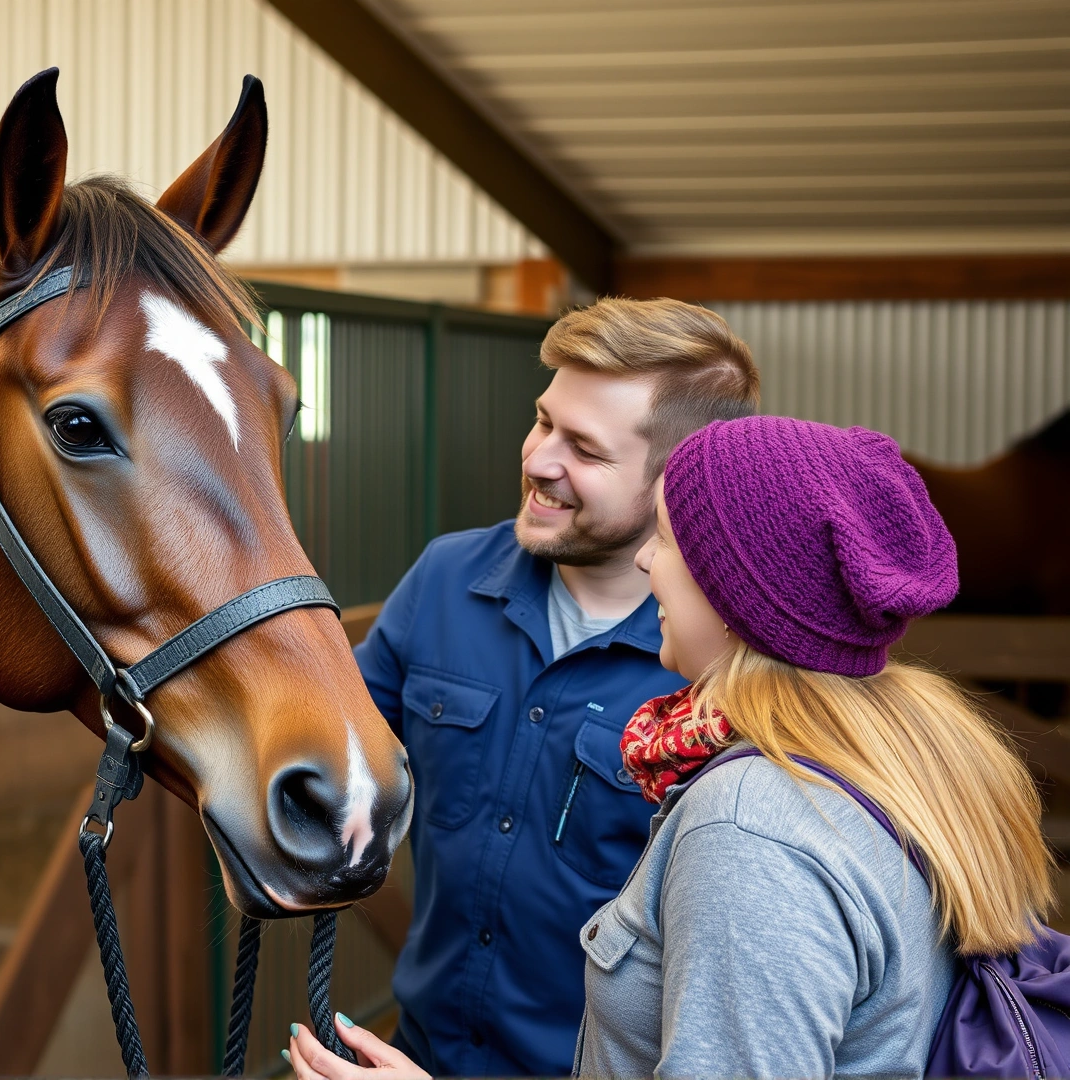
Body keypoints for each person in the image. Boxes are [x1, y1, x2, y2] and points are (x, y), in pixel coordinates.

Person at [288, 416, 1057, 1080]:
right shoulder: (900, 755)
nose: (650, 561)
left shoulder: (751, 832)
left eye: (671, 539)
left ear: (736, 595)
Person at [351, 298, 760, 1075]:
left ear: (680, 478)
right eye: (543, 421)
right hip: (417, 1055)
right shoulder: (444, 578)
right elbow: (340, 754)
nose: (539, 460)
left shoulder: (721, 672)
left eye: (585, 449)